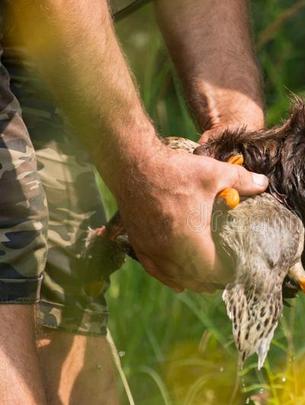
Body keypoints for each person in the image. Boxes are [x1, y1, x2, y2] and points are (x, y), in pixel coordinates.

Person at [0, 0, 268, 403]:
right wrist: (143, 173)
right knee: (10, 242)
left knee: (69, 270)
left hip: (31, 37)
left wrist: (236, 134)